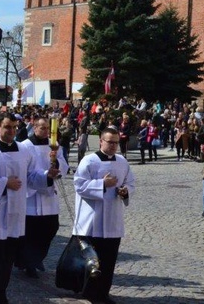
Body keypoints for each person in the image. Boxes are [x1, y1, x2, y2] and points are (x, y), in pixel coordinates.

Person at [0, 113, 57, 304]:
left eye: (15, 127)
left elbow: (31, 176)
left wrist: (47, 176)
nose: (12, 131)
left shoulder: (24, 150)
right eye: (8, 127)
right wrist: (4, 183)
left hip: (14, 215)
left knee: (5, 261)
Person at [73, 126, 135, 304]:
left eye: (116, 142)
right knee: (93, 261)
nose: (114, 146)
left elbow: (130, 182)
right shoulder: (89, 161)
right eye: (110, 142)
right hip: (93, 220)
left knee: (108, 261)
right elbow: (79, 185)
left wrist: (125, 191)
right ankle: (89, 292)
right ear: (101, 141)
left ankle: (103, 293)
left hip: (113, 220)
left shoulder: (122, 162)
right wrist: (102, 184)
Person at [16, 117, 69, 278]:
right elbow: (25, 171)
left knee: (51, 228)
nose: (46, 131)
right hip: (31, 196)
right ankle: (29, 263)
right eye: (43, 128)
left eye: (48, 128)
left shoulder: (54, 145)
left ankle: (37, 257)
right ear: (34, 127)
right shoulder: (25, 146)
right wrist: (45, 175)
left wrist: (57, 165)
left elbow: (64, 164)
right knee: (31, 232)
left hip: (48, 198)